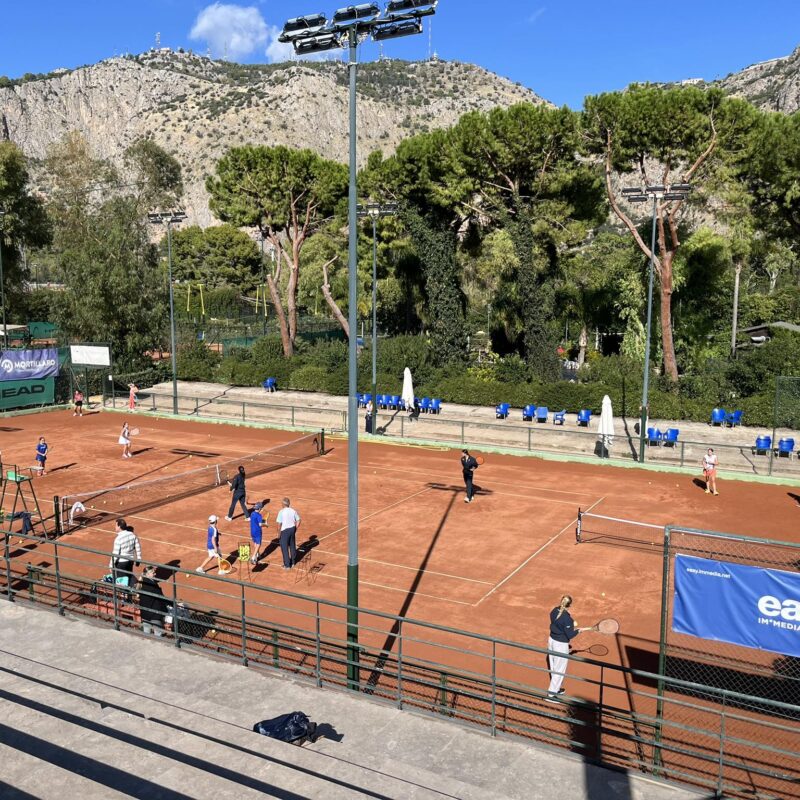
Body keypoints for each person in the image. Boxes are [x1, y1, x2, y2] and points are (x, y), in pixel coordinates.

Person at [547, 595, 592, 700]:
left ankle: (556, 688)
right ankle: (551, 695)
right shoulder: (567, 619)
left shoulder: (554, 611)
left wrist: (570, 627)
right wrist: (578, 630)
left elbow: (557, 623)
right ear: (570, 605)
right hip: (560, 645)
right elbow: (570, 635)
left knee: (554, 666)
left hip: (551, 641)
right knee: (559, 670)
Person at [110, 518, 142, 591]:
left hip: (121, 563)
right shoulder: (133, 535)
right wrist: (138, 559)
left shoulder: (118, 539)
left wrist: (111, 565)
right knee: (129, 575)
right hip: (130, 561)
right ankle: (136, 586)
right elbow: (138, 547)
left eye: (116, 525)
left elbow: (115, 554)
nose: (115, 527)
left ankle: (125, 596)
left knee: (121, 580)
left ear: (119, 527)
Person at [138, 565, 169, 636]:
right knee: (158, 635)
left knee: (146, 634)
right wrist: (173, 604)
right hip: (154, 614)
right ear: (148, 574)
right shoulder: (153, 585)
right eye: (153, 573)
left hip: (145, 614)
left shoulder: (142, 583)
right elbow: (162, 598)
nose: (155, 574)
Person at [276, 497, 301, 570]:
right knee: (292, 545)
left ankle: (287, 565)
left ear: (283, 504)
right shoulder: (293, 511)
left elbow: (279, 524)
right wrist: (295, 528)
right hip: (292, 529)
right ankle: (293, 562)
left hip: (284, 531)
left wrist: (278, 534)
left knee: (284, 548)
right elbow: (299, 520)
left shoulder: (281, 512)